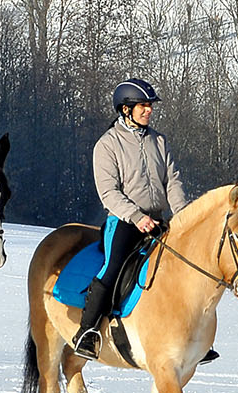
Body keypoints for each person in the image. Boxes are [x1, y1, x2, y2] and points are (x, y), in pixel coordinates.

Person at [75, 77, 189, 359]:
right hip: (124, 222)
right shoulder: (108, 145)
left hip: (159, 220)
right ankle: (87, 333)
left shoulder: (159, 141)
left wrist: (184, 217)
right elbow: (108, 192)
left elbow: (172, 181)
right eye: (143, 106)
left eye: (150, 106)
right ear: (125, 109)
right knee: (112, 269)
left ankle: (190, 333)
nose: (148, 110)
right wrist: (137, 217)